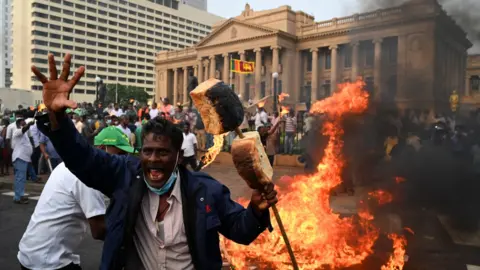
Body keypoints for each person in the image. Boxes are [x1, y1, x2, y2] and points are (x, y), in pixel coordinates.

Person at [32, 53, 278, 270]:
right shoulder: (124, 176)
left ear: (179, 157)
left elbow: (241, 230)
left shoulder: (206, 190)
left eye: (162, 153)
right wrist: (58, 119)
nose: (153, 160)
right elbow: (82, 158)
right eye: (147, 151)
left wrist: (256, 209)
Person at [17, 127, 131, 269]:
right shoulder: (88, 177)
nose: (122, 160)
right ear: (102, 148)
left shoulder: (72, 166)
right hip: (47, 261)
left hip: (31, 253)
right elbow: (99, 230)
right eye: (120, 154)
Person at [11, 117, 36, 204]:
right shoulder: (17, 131)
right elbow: (24, 129)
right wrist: (29, 124)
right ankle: (19, 197)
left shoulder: (24, 134)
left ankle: (18, 196)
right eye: (23, 122)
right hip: (20, 158)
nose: (25, 123)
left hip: (24, 158)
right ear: (19, 124)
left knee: (20, 178)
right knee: (20, 178)